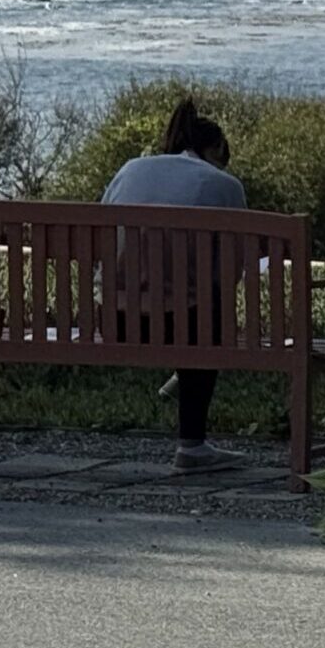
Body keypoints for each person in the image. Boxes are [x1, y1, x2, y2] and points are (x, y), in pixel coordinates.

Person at [102, 98, 249, 473]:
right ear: (215, 149)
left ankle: (179, 380)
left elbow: (104, 239)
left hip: (112, 321)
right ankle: (192, 445)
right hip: (183, 327)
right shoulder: (223, 185)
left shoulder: (130, 169)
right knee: (205, 309)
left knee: (189, 304)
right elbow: (229, 274)